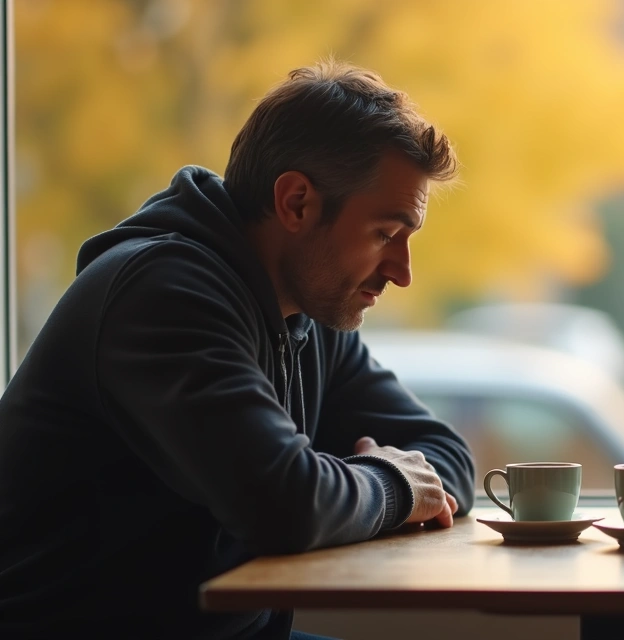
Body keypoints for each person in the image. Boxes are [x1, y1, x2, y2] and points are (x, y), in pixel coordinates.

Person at [0, 60, 476, 639]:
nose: (402, 272)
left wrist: (375, 485)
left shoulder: (309, 313)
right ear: (296, 203)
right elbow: (285, 506)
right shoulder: (163, 296)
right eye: (385, 234)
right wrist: (390, 485)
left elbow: (445, 457)